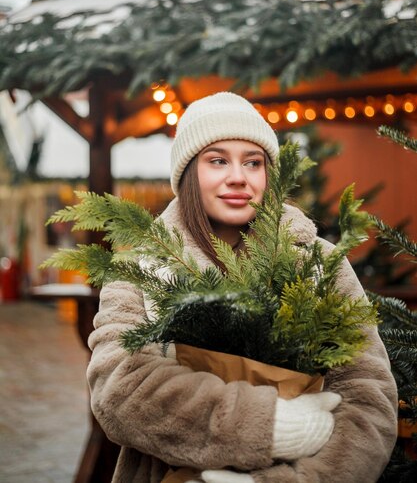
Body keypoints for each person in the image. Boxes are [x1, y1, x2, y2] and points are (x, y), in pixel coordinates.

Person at [87, 92, 398, 483]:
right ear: (188, 173)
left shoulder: (321, 263)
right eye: (217, 160)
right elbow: (119, 387)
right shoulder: (141, 267)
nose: (239, 176)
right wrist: (267, 425)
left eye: (253, 162)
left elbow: (368, 397)